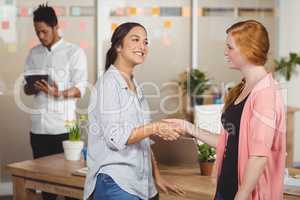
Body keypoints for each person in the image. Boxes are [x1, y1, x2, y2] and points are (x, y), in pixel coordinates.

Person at [166, 20, 286, 200]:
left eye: (230, 47)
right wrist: (188, 127)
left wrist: (242, 194)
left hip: (244, 194)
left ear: (248, 49)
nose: (225, 52)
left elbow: (259, 156)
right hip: (228, 187)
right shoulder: (244, 87)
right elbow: (228, 141)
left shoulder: (265, 94)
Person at [84, 22, 185, 200]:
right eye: (135, 39)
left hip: (142, 184)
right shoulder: (108, 84)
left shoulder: (135, 85)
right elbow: (116, 138)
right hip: (115, 182)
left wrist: (157, 176)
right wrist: (155, 127)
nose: (142, 47)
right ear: (118, 46)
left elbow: (142, 139)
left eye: (145, 42)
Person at [23, 4, 87, 200]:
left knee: (70, 184)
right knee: (46, 185)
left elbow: (80, 89)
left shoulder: (74, 52)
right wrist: (33, 86)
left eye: (44, 31)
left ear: (55, 26)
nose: (41, 36)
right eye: (37, 32)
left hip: (64, 128)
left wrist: (57, 93)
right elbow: (26, 88)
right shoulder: (34, 53)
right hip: (39, 129)